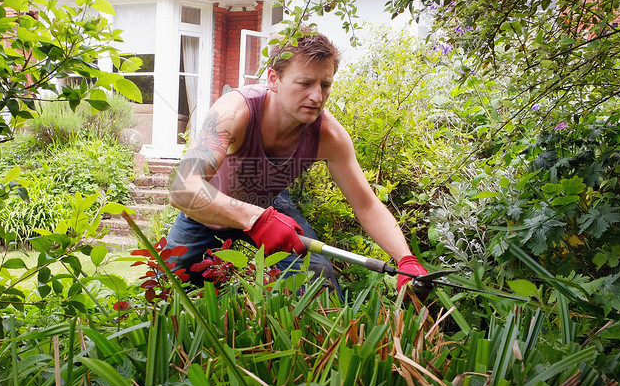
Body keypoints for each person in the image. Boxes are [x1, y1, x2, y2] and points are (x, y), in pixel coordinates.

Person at [165, 29, 427, 294]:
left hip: (270, 207)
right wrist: (254, 219)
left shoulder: (329, 135)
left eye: (325, 85)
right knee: (169, 285)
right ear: (273, 79)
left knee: (317, 279)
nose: (317, 97)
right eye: (305, 83)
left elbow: (366, 204)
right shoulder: (235, 111)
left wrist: (406, 258)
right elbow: (182, 187)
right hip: (208, 213)